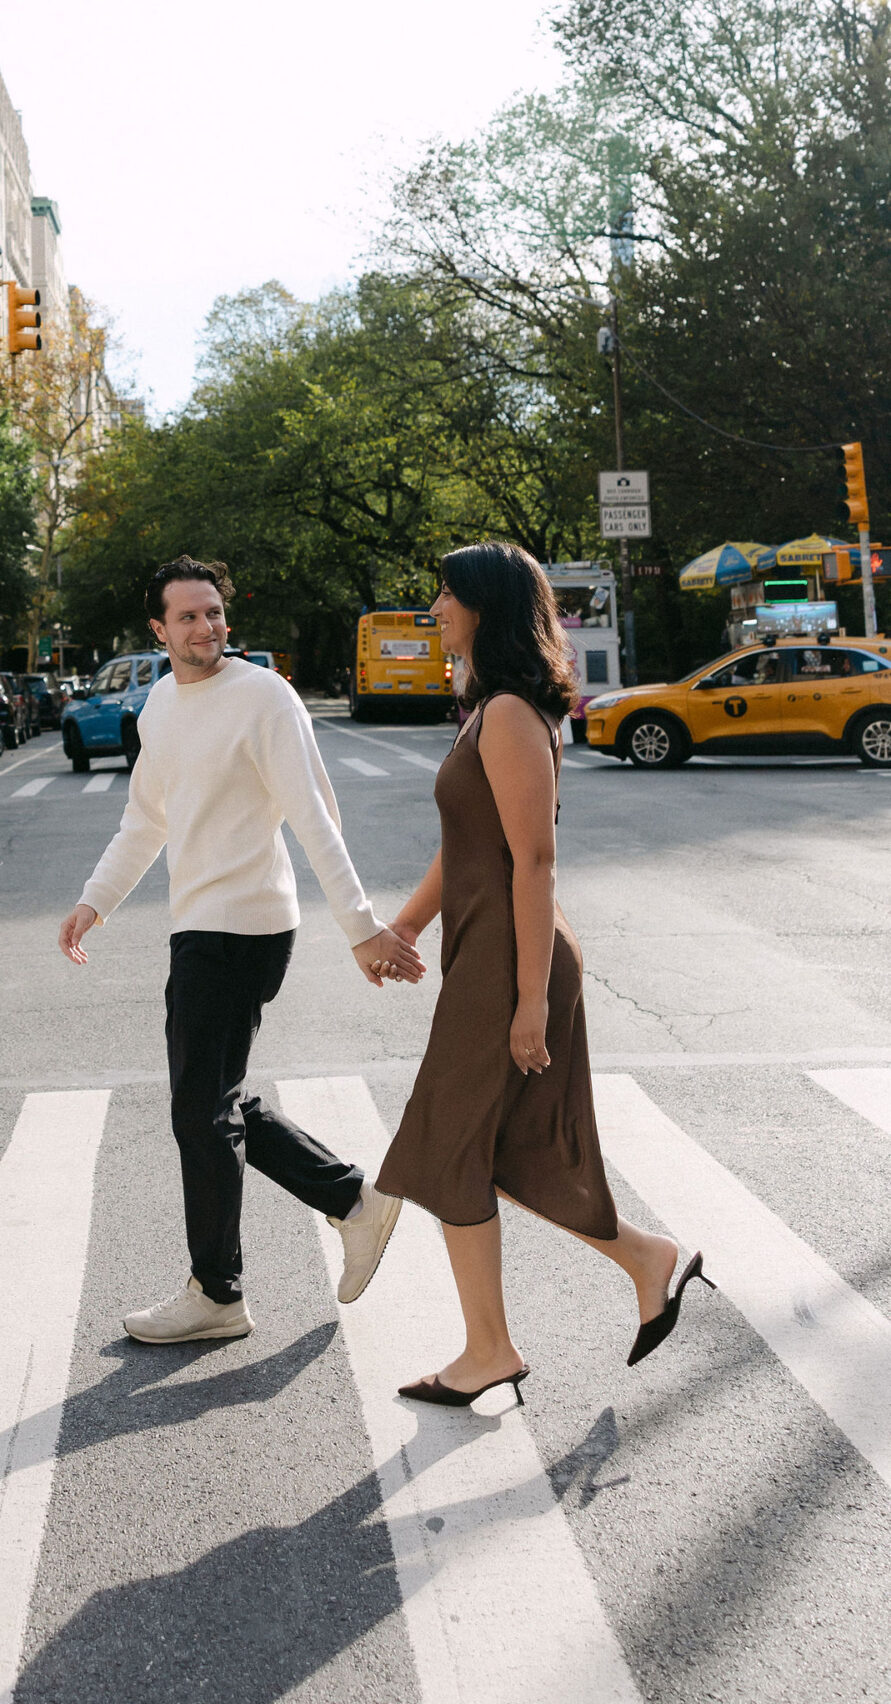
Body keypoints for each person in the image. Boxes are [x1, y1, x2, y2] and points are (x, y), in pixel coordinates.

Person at [375, 541, 713, 1406]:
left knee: (447, 1145)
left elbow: (533, 861)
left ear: (483, 607)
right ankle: (642, 1261)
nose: (434, 610)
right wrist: (405, 926)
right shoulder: (486, 709)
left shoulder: (511, 716)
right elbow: (468, 847)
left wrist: (528, 999)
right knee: (500, 1149)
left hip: (509, 960)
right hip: (485, 952)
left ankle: (491, 1349)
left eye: (445, 595)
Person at [58, 556, 425, 1344]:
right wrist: (95, 900)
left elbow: (313, 815)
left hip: (245, 926)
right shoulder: (158, 704)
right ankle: (352, 1200)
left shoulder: (262, 697)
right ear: (157, 631)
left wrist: (360, 927)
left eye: (214, 612)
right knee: (213, 1097)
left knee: (200, 1107)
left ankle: (217, 1292)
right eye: (187, 616)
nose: (206, 628)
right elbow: (145, 821)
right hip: (197, 922)